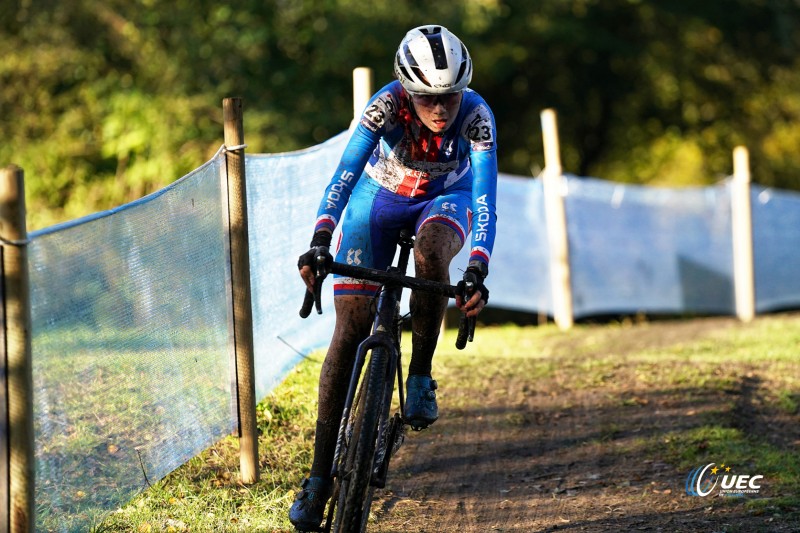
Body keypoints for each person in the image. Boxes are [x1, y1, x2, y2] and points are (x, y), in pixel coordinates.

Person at [290, 24, 498, 531]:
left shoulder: (477, 117)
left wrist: (477, 267)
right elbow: (344, 174)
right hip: (378, 198)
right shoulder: (384, 106)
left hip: (444, 199)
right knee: (349, 330)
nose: (440, 108)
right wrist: (321, 239)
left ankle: (421, 373)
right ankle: (318, 478)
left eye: (449, 95)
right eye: (428, 97)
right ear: (407, 89)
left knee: (432, 256)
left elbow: (486, 197)